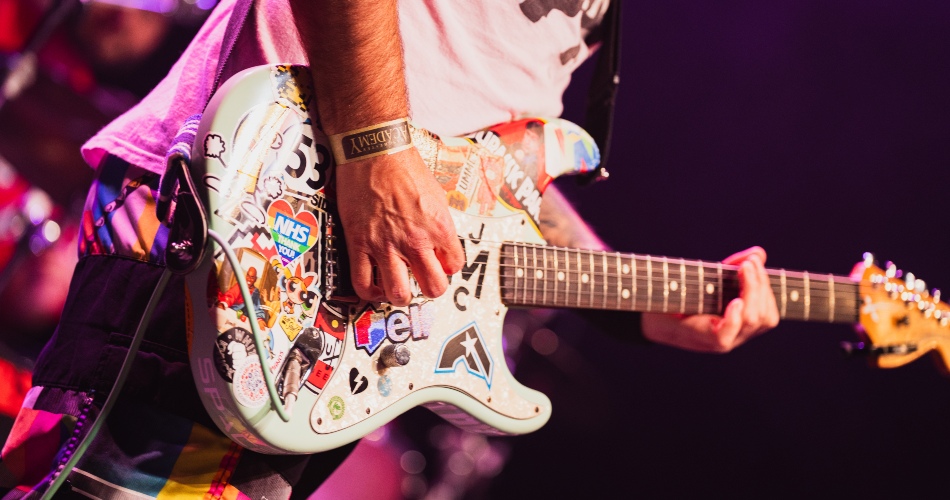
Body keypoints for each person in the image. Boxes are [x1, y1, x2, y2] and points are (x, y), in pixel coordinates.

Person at [0, 0, 780, 498]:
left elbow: (487, 172)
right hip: (249, 217)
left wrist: (637, 311)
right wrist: (374, 150)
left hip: (342, 304)